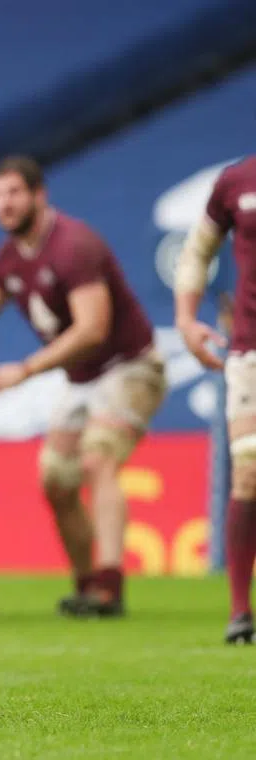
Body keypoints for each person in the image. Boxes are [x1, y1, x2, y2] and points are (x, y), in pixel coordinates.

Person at [0, 155, 166, 617]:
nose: (4, 204)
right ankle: (87, 585)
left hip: (130, 367)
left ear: (39, 195)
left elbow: (92, 330)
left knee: (98, 458)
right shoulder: (8, 257)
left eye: (14, 192)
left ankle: (109, 587)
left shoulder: (73, 245)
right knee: (56, 480)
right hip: (81, 378)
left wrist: (24, 370)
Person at [172, 154, 256, 643]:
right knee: (248, 471)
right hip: (249, 352)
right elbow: (197, 251)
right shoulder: (236, 181)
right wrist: (186, 319)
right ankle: (240, 612)